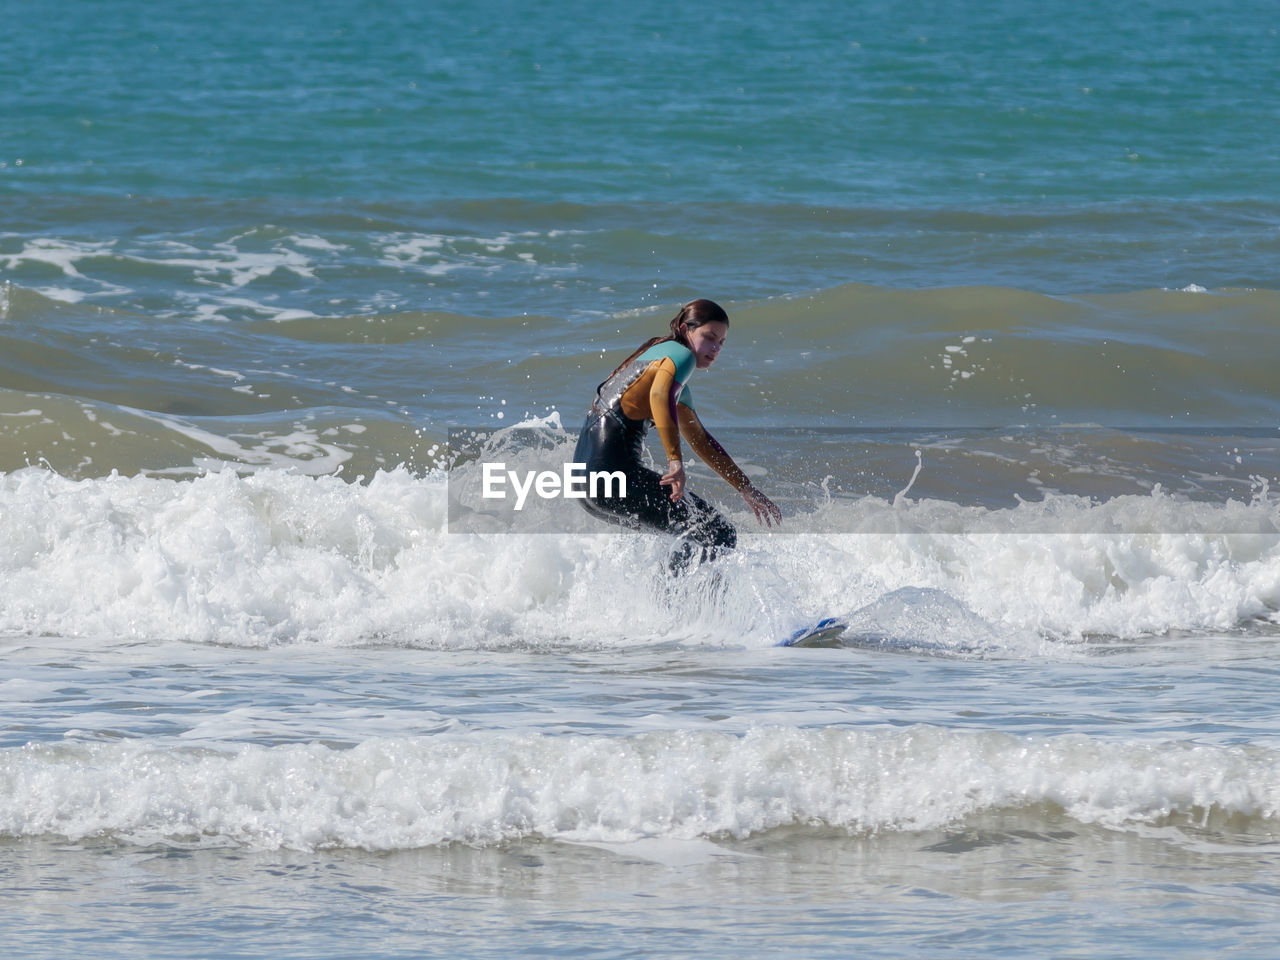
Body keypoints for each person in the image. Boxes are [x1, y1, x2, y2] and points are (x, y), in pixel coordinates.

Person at [573, 298, 781, 571]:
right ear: (685, 330)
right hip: (614, 479)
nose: (716, 348)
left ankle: (665, 605)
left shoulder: (661, 361)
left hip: (586, 484)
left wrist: (745, 487)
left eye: (722, 342)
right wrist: (675, 463)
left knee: (689, 535)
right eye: (710, 337)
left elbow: (700, 440)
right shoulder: (680, 356)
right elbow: (661, 395)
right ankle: (688, 609)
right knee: (719, 534)